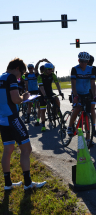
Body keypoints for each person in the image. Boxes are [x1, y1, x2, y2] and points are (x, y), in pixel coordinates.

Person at [0, 58, 46, 190]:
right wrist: (24, 98)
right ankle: (28, 183)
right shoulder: (11, 78)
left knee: (7, 150)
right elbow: (15, 99)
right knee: (26, 149)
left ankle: (8, 184)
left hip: (2, 119)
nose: (20, 77)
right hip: (12, 118)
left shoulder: (1, 77)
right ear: (16, 69)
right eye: (21, 73)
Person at [67, 52, 96, 146]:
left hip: (86, 93)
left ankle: (88, 139)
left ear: (88, 61)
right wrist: (75, 96)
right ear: (78, 60)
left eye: (85, 61)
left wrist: (94, 96)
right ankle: (70, 127)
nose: (83, 63)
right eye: (81, 61)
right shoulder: (74, 69)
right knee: (78, 108)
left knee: (87, 115)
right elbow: (73, 84)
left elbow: (92, 84)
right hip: (77, 93)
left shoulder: (91, 69)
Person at [37, 61, 63, 132]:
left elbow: (57, 83)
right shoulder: (40, 76)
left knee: (57, 99)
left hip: (50, 92)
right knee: (43, 110)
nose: (50, 70)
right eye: (49, 69)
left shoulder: (53, 75)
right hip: (42, 94)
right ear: (45, 69)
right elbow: (41, 87)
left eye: (51, 69)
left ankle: (57, 112)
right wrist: (45, 96)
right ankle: (43, 124)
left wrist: (60, 92)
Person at [87, 55, 96, 136]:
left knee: (92, 109)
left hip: (92, 90)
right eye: (89, 62)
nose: (89, 64)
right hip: (82, 90)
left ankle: (93, 127)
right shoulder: (82, 68)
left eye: (91, 62)